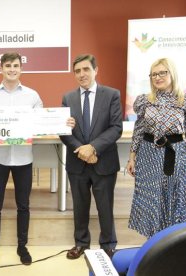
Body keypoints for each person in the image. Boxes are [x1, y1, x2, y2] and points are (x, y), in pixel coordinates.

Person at [0, 52, 42, 265]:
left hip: (24, 159)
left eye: (16, 65)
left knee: (23, 205)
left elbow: (41, 124)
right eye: (8, 65)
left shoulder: (32, 96)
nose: (12, 69)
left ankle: (22, 246)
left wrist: (61, 123)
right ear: (1, 68)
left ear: (21, 68)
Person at [126, 58, 186, 238]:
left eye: (162, 73)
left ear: (172, 73)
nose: (157, 77)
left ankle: (173, 244)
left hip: (176, 155)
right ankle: (152, 245)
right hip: (148, 155)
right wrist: (132, 157)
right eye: (154, 74)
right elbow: (139, 129)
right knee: (151, 200)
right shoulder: (145, 101)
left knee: (175, 199)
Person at [60, 54, 123, 259]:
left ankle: (108, 245)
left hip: (103, 161)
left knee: (105, 206)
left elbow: (116, 128)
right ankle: (81, 243)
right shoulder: (67, 98)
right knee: (79, 206)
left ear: (96, 70)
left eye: (86, 69)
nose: (81, 74)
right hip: (77, 162)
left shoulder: (112, 94)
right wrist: (82, 150)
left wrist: (93, 148)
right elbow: (63, 131)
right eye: (77, 71)